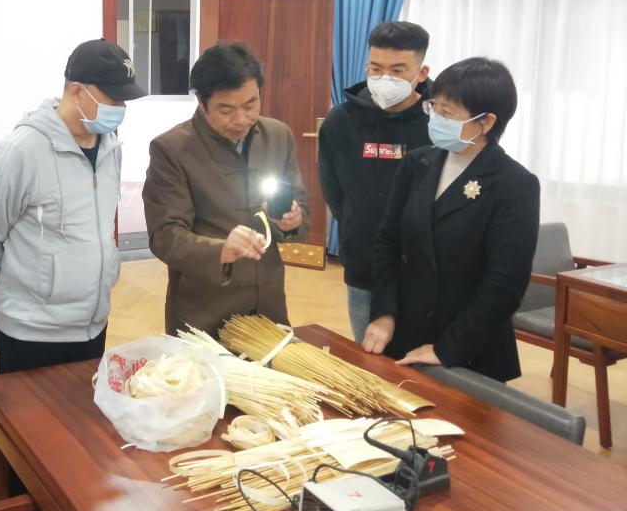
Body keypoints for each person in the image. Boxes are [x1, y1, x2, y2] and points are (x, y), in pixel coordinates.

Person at [0, 39, 144, 511]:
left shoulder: (110, 146)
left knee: (80, 448)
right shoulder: (21, 151)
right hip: (31, 332)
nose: (120, 109)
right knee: (25, 453)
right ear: (76, 90)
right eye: (112, 98)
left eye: (125, 99)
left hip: (91, 324)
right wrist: (18, 296)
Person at [362, 57, 540, 382]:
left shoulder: (514, 185)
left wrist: (449, 348)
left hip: (468, 348)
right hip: (404, 333)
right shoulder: (417, 164)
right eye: (435, 107)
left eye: (448, 112)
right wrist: (384, 313)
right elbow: (387, 243)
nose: (436, 118)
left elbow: (505, 284)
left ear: (486, 122)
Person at [143, 42, 310, 336]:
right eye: (226, 109)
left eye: (251, 105)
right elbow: (165, 236)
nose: (241, 119)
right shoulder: (173, 149)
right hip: (205, 311)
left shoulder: (278, 136)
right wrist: (220, 250)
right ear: (201, 101)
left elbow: (301, 207)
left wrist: (292, 220)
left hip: (268, 304)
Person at [318, 21, 433, 343]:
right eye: (376, 68)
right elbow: (333, 189)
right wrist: (358, 224)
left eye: (398, 70)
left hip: (425, 268)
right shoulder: (340, 122)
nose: (385, 79)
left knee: (420, 360)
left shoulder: (439, 122)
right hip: (364, 265)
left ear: (421, 73)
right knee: (369, 356)